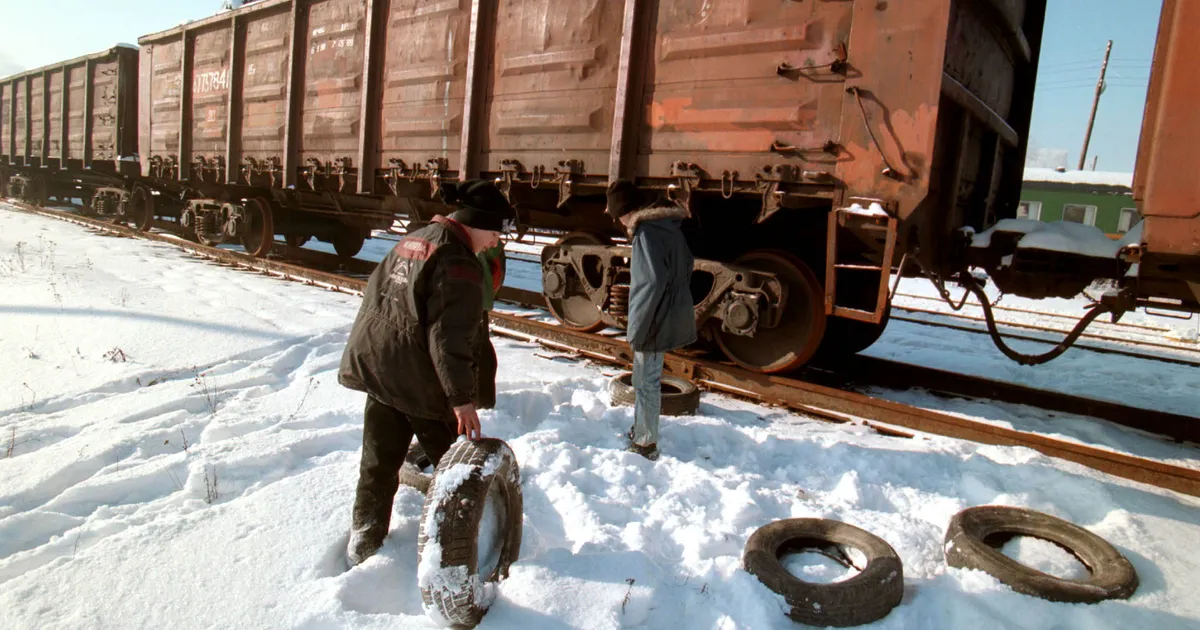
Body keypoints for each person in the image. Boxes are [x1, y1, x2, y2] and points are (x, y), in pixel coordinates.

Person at [338, 179, 515, 566]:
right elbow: (448, 339)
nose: (495, 244)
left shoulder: (418, 238)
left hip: (382, 367)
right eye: (495, 234)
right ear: (478, 223)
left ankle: (364, 543)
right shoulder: (459, 263)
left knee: (378, 464)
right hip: (417, 379)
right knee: (459, 471)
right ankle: (467, 549)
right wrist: (462, 401)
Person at [605, 180, 697, 460]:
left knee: (645, 380)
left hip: (654, 317)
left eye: (615, 214)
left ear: (625, 210)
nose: (616, 220)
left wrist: (637, 328)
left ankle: (645, 443)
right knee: (649, 377)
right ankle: (644, 432)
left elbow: (649, 283)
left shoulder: (645, 233)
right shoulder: (668, 227)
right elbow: (688, 264)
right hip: (670, 309)